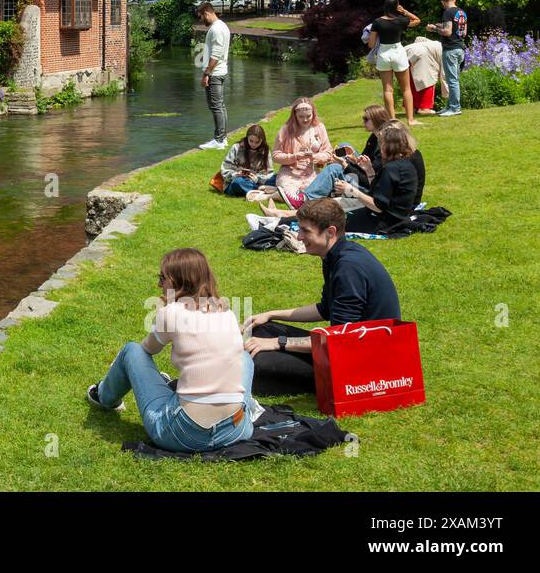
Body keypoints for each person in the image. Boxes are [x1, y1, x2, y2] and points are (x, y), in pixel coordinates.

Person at [86, 248, 257, 451]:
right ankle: (244, 408)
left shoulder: (170, 313)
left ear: (178, 281)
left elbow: (147, 350)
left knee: (131, 351)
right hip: (236, 430)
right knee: (244, 357)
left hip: (183, 434)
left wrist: (165, 313)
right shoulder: (226, 312)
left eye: (162, 278)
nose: (159, 284)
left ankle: (105, 396)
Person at [244, 198, 401, 395]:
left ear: (330, 232)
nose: (299, 236)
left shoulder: (348, 268)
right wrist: (271, 314)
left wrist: (279, 342)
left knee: (256, 361)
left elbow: (340, 341)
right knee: (264, 329)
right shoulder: (336, 255)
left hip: (365, 364)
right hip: (346, 346)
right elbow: (325, 309)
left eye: (306, 231)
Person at [333, 122, 423, 233]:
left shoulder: (391, 169)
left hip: (383, 223)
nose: (379, 148)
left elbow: (378, 206)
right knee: (337, 210)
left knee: (332, 221)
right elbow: (379, 193)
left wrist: (350, 190)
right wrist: (369, 171)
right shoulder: (405, 164)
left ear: (386, 146)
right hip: (397, 218)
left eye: (381, 144)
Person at [270, 97, 336, 208]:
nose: (305, 120)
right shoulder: (286, 130)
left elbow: (328, 152)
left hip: (312, 172)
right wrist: (294, 156)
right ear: (295, 115)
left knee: (317, 196)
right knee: (292, 195)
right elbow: (275, 155)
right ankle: (275, 194)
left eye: (308, 116)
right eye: (301, 117)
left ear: (313, 114)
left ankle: (275, 194)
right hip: (290, 173)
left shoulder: (319, 128)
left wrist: (317, 157)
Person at [367, 0, 422, 124]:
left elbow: (371, 44)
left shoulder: (377, 22)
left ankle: (392, 120)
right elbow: (417, 20)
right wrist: (404, 11)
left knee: (387, 90)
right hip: (398, 52)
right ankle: (410, 120)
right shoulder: (401, 20)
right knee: (406, 89)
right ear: (396, 6)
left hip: (384, 54)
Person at [195, 2, 231, 150]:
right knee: (219, 106)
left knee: (216, 106)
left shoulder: (216, 29)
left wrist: (206, 74)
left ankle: (219, 140)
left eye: (201, 17)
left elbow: (216, 54)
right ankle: (222, 137)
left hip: (215, 73)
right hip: (219, 71)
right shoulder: (222, 26)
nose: (201, 20)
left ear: (207, 13)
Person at [425, 0, 467, 116]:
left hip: (451, 49)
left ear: (443, 2)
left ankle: (455, 108)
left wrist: (434, 28)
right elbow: (463, 32)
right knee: (453, 79)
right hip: (460, 48)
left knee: (452, 80)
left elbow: (447, 32)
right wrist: (441, 25)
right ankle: (449, 106)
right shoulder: (461, 12)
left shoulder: (448, 12)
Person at [220, 124, 272, 197]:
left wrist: (257, 179)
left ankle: (255, 191)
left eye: (257, 142)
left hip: (255, 182)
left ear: (262, 141)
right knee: (238, 182)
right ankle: (262, 193)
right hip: (235, 182)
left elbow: (268, 173)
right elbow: (225, 169)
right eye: (251, 141)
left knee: (276, 177)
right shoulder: (236, 148)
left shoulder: (265, 151)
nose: (253, 144)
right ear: (247, 137)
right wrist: (236, 174)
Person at [405, 37, 443, 117]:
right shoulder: (444, 50)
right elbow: (444, 75)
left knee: (412, 81)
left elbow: (418, 38)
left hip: (408, 52)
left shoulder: (435, 43)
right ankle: (424, 108)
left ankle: (412, 107)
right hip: (422, 54)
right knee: (429, 79)